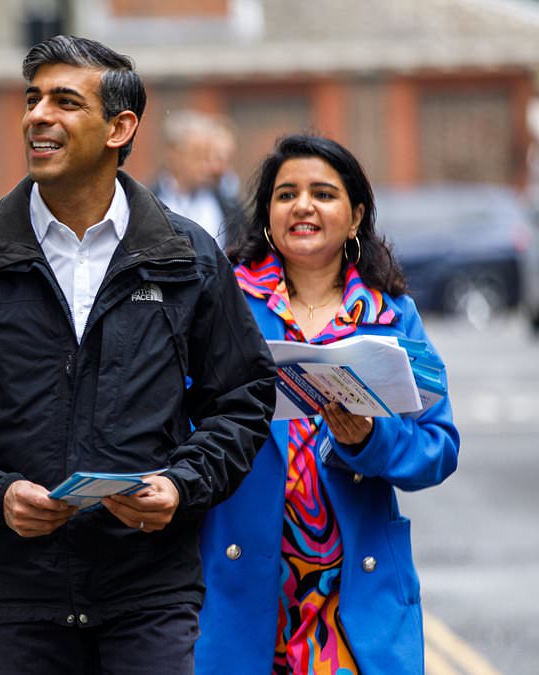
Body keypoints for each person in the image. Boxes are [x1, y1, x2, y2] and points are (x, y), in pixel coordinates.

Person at [0, 35, 277, 674]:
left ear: (120, 127)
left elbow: (242, 400)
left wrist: (180, 486)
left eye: (65, 101)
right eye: (33, 99)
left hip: (151, 589)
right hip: (20, 593)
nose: (38, 116)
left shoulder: (188, 258)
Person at [196, 134, 460, 674]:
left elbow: (438, 447)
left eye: (323, 193)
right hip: (245, 578)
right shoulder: (224, 301)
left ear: (356, 213)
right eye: (286, 193)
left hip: (352, 589)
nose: (303, 206)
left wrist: (369, 439)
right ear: (267, 213)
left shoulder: (392, 315)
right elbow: (180, 414)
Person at [151, 110, 243, 248]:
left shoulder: (229, 207)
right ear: (174, 154)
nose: (207, 165)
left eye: (209, 156)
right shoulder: (146, 203)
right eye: (199, 156)